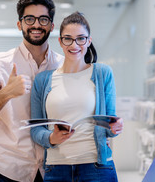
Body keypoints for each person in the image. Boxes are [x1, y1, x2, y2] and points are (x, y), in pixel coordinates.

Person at [0, 0, 64, 182]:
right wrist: (6, 94)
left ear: (52, 26)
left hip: (54, 171)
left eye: (43, 19)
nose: (36, 25)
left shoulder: (64, 66)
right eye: (29, 19)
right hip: (7, 171)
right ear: (20, 24)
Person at [30, 11, 123, 182]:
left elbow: (109, 123)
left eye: (81, 38)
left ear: (89, 40)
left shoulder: (102, 73)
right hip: (56, 168)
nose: (74, 45)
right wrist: (51, 138)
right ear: (60, 41)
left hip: (97, 168)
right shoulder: (43, 80)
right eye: (68, 38)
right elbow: (35, 130)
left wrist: (115, 128)